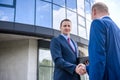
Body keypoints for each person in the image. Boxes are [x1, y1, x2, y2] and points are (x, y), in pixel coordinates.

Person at [88, 2, 120, 80]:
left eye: (91, 14)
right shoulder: (117, 29)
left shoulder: (97, 23)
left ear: (94, 11)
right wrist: (87, 68)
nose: (91, 18)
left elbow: (98, 58)